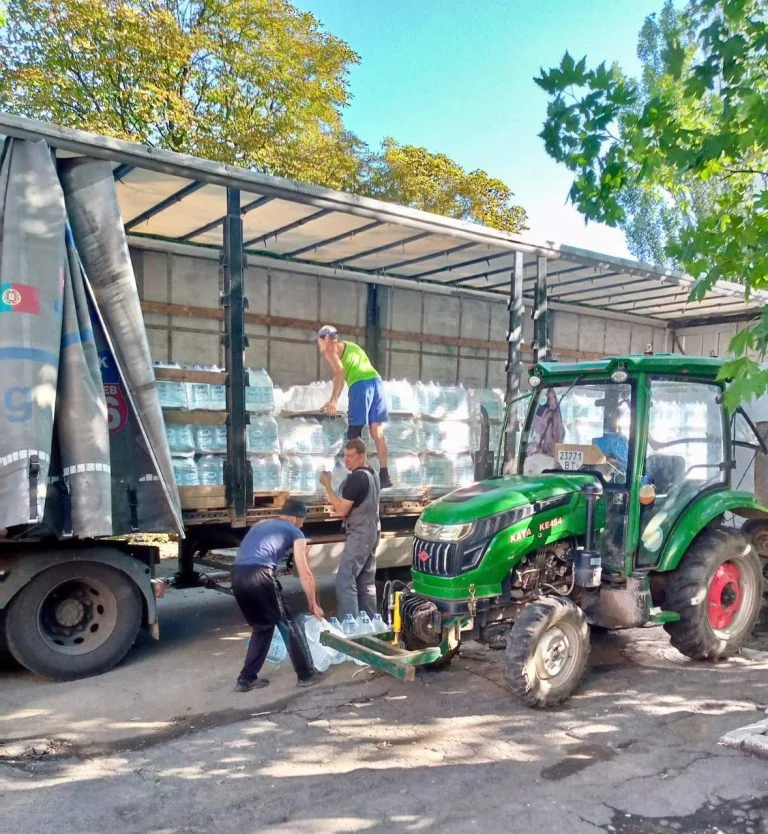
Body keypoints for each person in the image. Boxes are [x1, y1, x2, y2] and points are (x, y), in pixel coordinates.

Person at [231, 497, 324, 692]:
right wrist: (313, 603)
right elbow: (305, 572)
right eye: (302, 519)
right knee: (290, 624)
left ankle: (246, 679)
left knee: (262, 627)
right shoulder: (294, 531)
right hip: (260, 575)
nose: (303, 523)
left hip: (237, 575)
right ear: (294, 517)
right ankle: (306, 675)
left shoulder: (261, 523)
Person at [316, 324, 392, 489]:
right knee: (376, 431)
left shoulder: (331, 349)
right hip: (376, 383)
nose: (319, 345)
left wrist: (334, 400)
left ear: (326, 339)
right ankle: (384, 475)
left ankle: (360, 475)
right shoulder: (351, 346)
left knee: (354, 432)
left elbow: (340, 372)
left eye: (319, 340)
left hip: (360, 385)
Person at [319, 438, 381, 619]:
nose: (346, 460)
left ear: (362, 456)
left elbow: (341, 510)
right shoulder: (373, 474)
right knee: (365, 581)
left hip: (360, 533)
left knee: (345, 580)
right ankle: (370, 623)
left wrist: (327, 486)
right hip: (373, 530)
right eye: (345, 456)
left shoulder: (357, 478)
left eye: (351, 456)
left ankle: (350, 626)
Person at [530, 388, 565, 456]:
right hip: (543, 453)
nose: (552, 401)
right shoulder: (541, 413)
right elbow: (537, 432)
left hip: (556, 453)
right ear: (546, 400)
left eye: (553, 397)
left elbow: (561, 433)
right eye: (549, 398)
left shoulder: (557, 414)